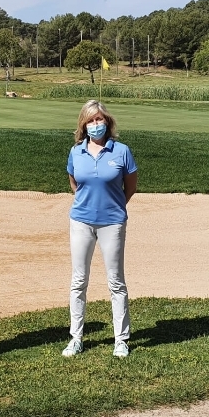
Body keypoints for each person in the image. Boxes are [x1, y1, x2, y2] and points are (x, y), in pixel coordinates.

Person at [62, 100, 138, 358]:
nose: (96, 125)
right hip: (81, 221)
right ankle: (76, 338)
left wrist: (112, 207)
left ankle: (121, 339)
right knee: (78, 281)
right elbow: (75, 184)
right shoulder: (76, 152)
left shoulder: (122, 151)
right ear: (83, 125)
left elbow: (130, 187)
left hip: (113, 222)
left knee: (116, 282)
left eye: (99, 119)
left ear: (108, 121)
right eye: (90, 121)